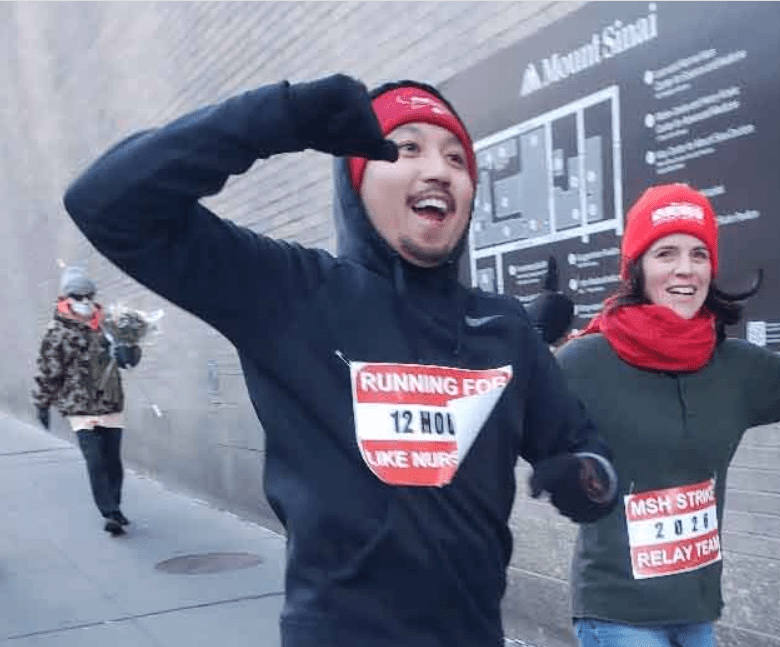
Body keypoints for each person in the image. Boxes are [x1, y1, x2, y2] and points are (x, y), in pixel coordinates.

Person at [62, 73, 618, 647]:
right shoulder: (292, 292)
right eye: (407, 148)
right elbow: (106, 203)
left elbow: (582, 449)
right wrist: (277, 117)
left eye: (457, 157)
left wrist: (587, 479)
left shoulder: (504, 329)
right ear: (356, 180)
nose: (438, 169)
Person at [553, 183, 780, 647]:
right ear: (638, 269)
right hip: (617, 611)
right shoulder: (586, 362)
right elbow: (507, 407)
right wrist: (526, 339)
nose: (685, 269)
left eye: (698, 253)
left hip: (696, 608)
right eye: (666, 252)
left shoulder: (735, 367)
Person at [33, 267, 132, 537]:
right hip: (80, 407)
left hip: (111, 402)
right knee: (95, 461)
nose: (86, 301)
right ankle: (110, 513)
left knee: (113, 460)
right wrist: (42, 403)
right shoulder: (57, 331)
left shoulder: (109, 324)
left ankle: (116, 504)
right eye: (79, 296)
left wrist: (129, 350)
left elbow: (128, 360)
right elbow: (48, 370)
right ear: (68, 297)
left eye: (90, 295)